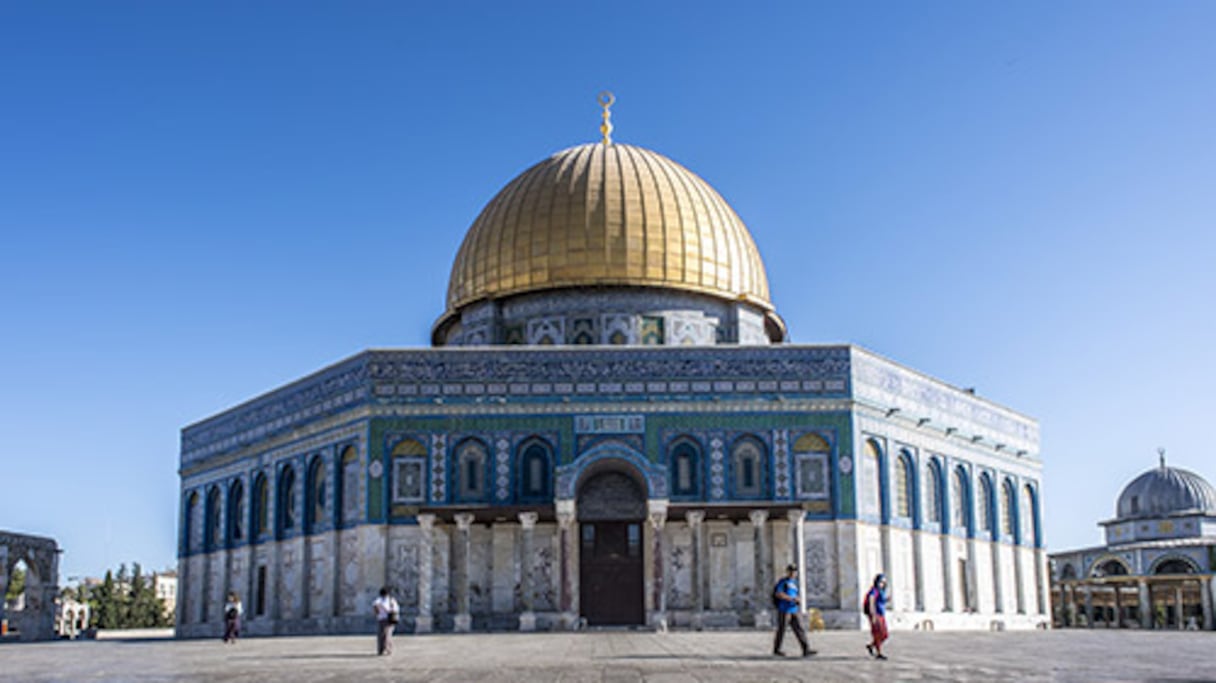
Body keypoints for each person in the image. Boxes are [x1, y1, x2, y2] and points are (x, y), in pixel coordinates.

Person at [772, 564, 815, 657]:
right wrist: (790, 599)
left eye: (794, 571)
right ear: (787, 572)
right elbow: (778, 594)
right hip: (784, 609)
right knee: (782, 629)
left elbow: (795, 594)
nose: (793, 573)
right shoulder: (783, 582)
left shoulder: (794, 583)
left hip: (794, 609)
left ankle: (806, 649)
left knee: (799, 629)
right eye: (791, 571)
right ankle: (777, 649)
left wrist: (797, 599)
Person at [864, 574, 889, 660]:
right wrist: (873, 614)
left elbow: (881, 601)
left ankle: (871, 646)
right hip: (876, 614)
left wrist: (887, 600)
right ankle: (879, 652)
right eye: (881, 582)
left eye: (884, 582)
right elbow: (871, 600)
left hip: (881, 614)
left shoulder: (881, 591)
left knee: (885, 634)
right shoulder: (874, 590)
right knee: (878, 633)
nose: (882, 584)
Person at [372, 586, 400, 656]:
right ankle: (382, 649)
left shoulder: (391, 600)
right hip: (382, 619)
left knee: (387, 635)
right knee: (382, 635)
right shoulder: (379, 600)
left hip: (389, 619)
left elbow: (395, 609)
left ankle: (387, 649)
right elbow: (375, 606)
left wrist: (386, 610)